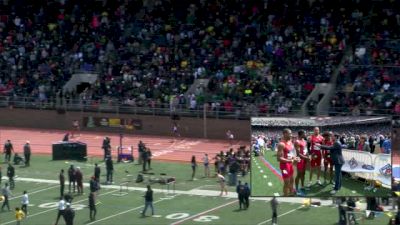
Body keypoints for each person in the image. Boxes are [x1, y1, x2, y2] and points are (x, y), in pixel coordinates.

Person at [277, 128, 299, 196]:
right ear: (285, 134)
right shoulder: (281, 144)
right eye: (290, 134)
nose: (291, 135)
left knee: (292, 180)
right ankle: (285, 195)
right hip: (284, 166)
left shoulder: (290, 141)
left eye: (291, 133)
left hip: (290, 165)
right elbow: (278, 158)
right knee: (287, 182)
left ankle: (291, 193)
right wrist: (291, 160)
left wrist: (295, 158)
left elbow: (291, 153)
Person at [294, 130, 308, 196]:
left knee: (303, 173)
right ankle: (296, 189)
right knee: (299, 174)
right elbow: (298, 154)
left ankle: (302, 186)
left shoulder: (304, 141)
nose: (306, 134)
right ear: (301, 134)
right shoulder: (297, 142)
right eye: (305, 133)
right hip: (300, 159)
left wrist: (308, 156)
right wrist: (306, 158)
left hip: (304, 159)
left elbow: (305, 150)